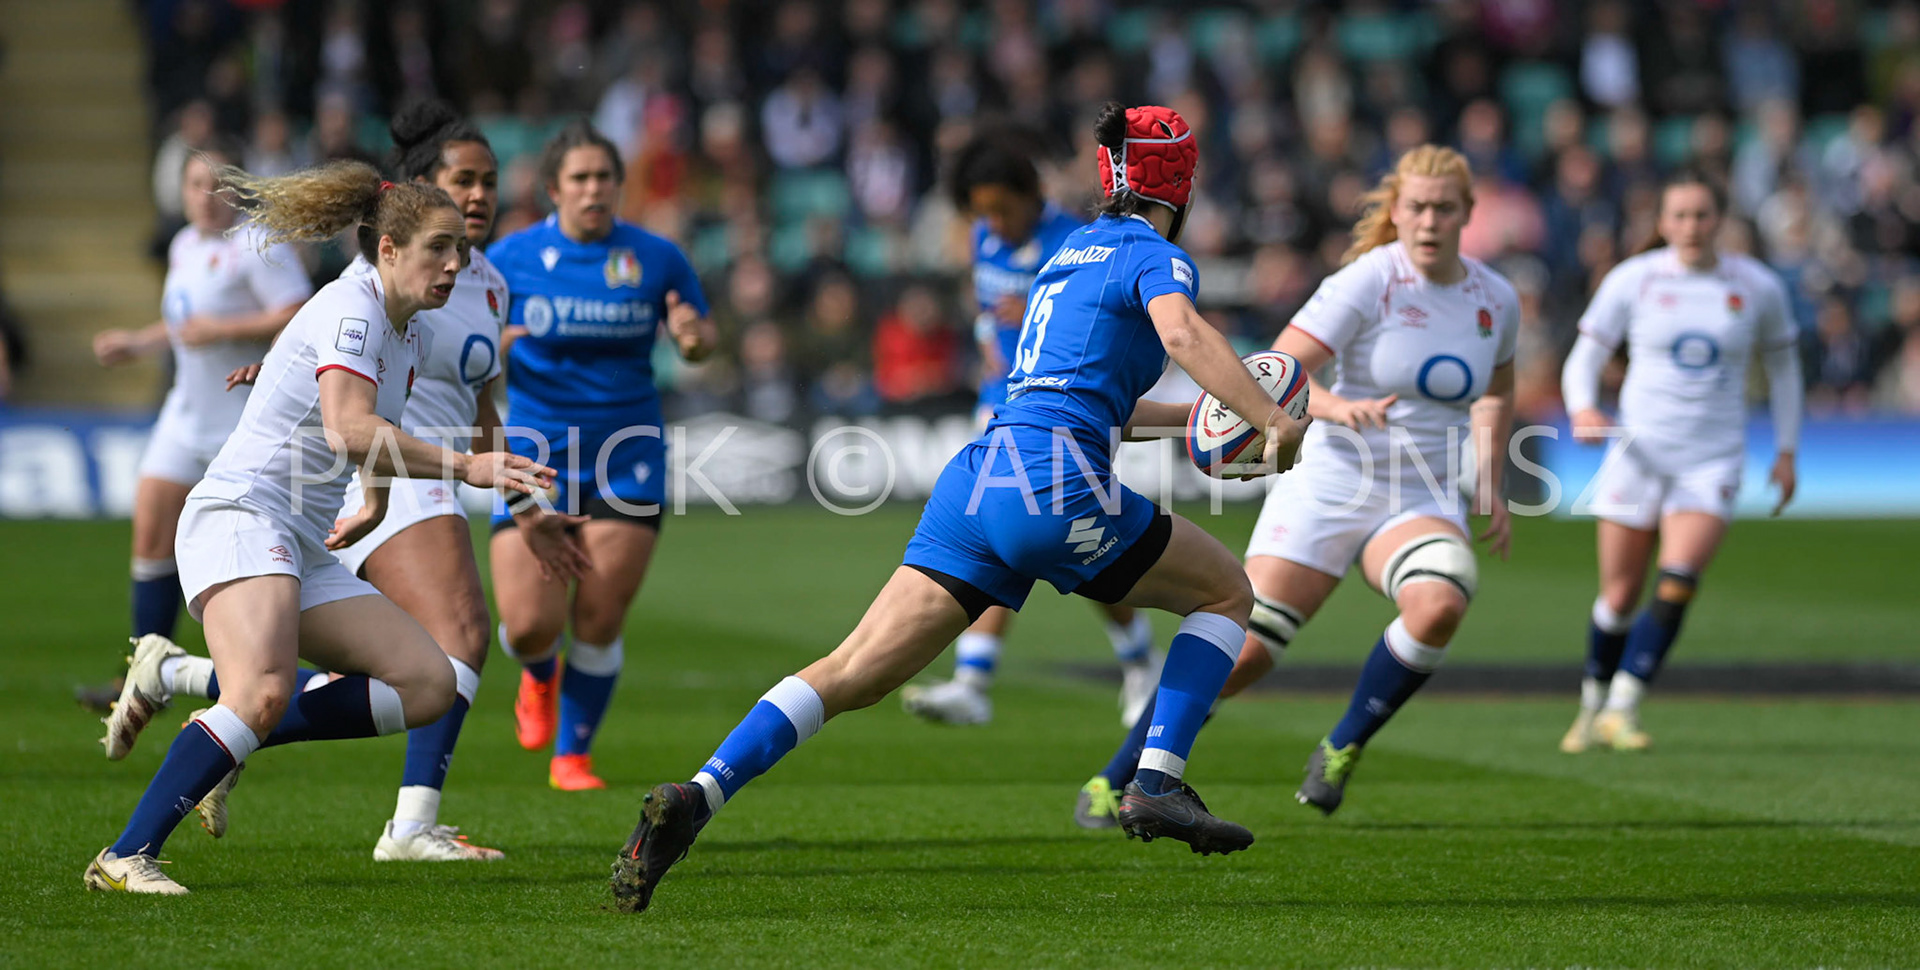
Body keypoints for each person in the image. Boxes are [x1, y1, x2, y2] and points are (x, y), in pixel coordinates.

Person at [608, 103, 1308, 916]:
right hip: (1052, 478)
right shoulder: (1154, 255)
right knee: (1227, 592)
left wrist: (1198, 420)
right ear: (1180, 183)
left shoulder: (1066, 256)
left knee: (850, 672)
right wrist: (1272, 416)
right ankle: (1157, 780)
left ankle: (697, 798)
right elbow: (1183, 335)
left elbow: (1085, 398)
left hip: (978, 474)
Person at [86, 160, 552, 895]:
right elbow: (347, 427)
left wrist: (369, 500)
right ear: (389, 250)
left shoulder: (406, 333)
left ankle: (188, 691)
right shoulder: (357, 307)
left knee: (431, 683)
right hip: (240, 515)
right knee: (261, 692)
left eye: (460, 249)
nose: (455, 263)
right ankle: (125, 855)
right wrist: (469, 469)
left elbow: (369, 431)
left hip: (298, 539)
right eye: (438, 247)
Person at [1073, 145, 1520, 826]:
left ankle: (1342, 745)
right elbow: (1279, 370)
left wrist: (1489, 475)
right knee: (1245, 650)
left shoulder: (1496, 299)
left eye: (1444, 208)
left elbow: (1497, 390)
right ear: (1396, 212)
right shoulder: (1368, 281)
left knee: (1442, 599)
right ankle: (1117, 775)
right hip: (1333, 477)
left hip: (1423, 490)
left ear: (1467, 213)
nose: (1430, 220)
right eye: (1418, 207)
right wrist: (1340, 409)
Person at [900, 129, 1161, 729]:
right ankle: (976, 679)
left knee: (1073, 546)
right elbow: (985, 302)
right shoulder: (984, 240)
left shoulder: (1073, 243)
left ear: (1032, 195)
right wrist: (989, 337)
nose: (993, 221)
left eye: (1002, 208)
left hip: (1062, 414)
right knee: (1011, 544)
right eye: (981, 211)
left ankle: (1138, 658)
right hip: (1000, 406)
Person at [487, 121, 717, 791]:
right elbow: (464, 346)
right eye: (580, 178)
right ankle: (536, 676)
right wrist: (493, 348)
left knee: (599, 615)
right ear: (554, 188)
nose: (594, 189)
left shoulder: (658, 258)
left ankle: (573, 756)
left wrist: (691, 338)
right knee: (531, 626)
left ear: (619, 185)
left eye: (604, 177)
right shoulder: (510, 259)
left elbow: (700, 339)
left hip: (628, 452)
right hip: (535, 456)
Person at [1558, 170, 1802, 753]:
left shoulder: (1756, 286)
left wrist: (1787, 450)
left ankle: (1624, 703)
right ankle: (1592, 701)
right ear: (1662, 223)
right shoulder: (1633, 280)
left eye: (1702, 215)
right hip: (1638, 453)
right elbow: (1582, 359)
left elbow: (1787, 371)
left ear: (1721, 220)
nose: (1691, 227)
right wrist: (1583, 408)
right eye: (1680, 216)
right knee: (1618, 597)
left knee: (1679, 580)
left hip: (1712, 457)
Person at [92, 140, 312, 653]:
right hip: (185, 415)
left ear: (239, 191)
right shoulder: (185, 245)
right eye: (195, 185)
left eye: (219, 187)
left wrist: (224, 330)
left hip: (240, 423)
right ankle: (144, 673)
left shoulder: (259, 243)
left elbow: (300, 312)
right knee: (150, 536)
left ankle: (258, 668)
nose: (206, 197)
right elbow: (184, 323)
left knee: (251, 554)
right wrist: (139, 342)